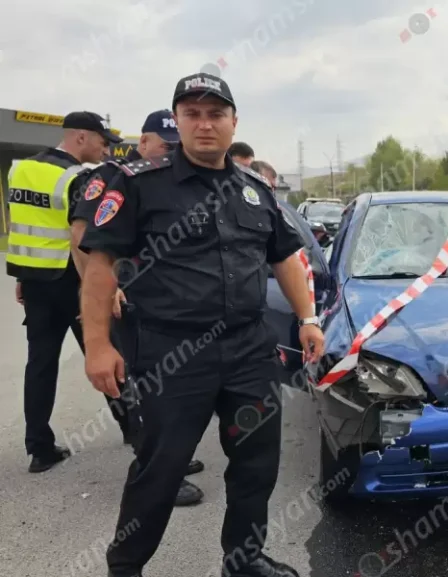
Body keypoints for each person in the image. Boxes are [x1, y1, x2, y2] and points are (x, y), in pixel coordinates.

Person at [79, 72, 324, 577]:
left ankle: (244, 559)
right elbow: (100, 265)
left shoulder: (255, 189)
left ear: (234, 122)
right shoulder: (138, 184)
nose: (205, 124)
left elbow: (284, 257)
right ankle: (125, 567)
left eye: (216, 114)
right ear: (178, 122)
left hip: (249, 351)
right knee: (160, 469)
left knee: (256, 463)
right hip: (172, 354)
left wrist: (307, 318)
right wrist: (98, 345)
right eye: (193, 114)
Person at [68, 109, 206, 507]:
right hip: (123, 301)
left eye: (177, 147)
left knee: (163, 385)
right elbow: (80, 236)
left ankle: (168, 457)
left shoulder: (164, 179)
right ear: (143, 142)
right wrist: (106, 292)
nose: (172, 153)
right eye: (166, 146)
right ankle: (158, 475)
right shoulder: (112, 178)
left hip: (155, 304)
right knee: (140, 388)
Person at [6, 110, 127, 473]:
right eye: (102, 142)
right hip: (73, 282)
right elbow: (79, 239)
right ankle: (139, 435)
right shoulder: (78, 177)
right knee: (108, 356)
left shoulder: (20, 169)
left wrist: (23, 277)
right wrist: (102, 289)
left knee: (40, 365)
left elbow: (24, 226)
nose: (106, 150)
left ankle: (39, 449)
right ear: (81, 137)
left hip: (36, 283)